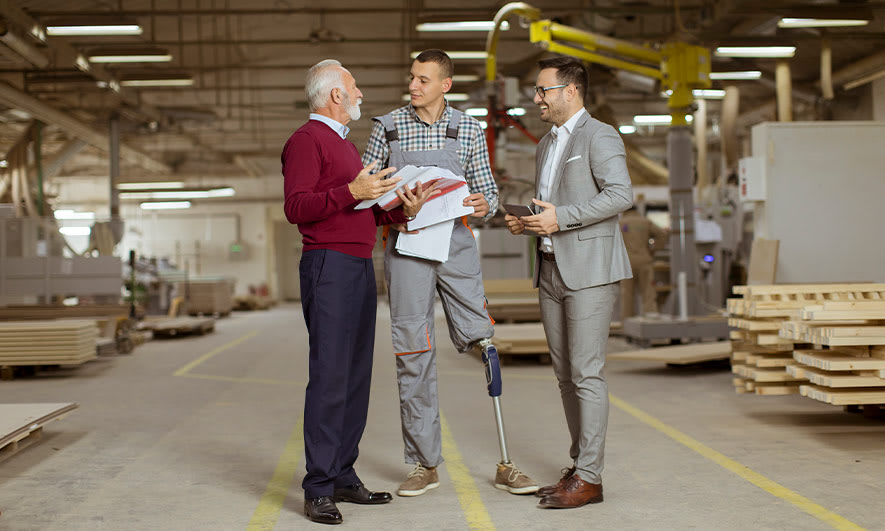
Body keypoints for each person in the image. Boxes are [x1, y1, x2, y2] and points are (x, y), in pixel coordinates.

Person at [362, 49, 538, 497]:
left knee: (484, 341)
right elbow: (366, 189)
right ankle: (424, 464)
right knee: (413, 352)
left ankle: (506, 462)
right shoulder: (388, 126)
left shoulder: (467, 128)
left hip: (456, 244)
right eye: (412, 77)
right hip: (405, 247)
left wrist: (486, 204)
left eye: (423, 79)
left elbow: (488, 192)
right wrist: (395, 203)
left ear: (445, 85)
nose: (413, 84)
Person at [282, 59, 436, 525]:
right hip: (327, 265)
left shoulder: (344, 146)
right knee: (330, 375)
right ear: (334, 96)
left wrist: (400, 211)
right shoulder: (307, 141)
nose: (361, 94)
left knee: (354, 377)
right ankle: (318, 487)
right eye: (354, 88)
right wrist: (353, 189)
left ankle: (343, 474)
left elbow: (359, 211)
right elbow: (297, 207)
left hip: (356, 264)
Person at [505, 56, 633, 509]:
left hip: (590, 271)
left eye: (543, 90)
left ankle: (591, 478)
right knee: (565, 377)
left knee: (587, 374)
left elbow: (621, 194)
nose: (537, 98)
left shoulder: (599, 135)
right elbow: (554, 204)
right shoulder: (546, 144)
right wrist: (532, 221)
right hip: (552, 269)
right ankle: (580, 467)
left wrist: (561, 219)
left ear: (571, 91)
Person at [619, 205, 667, 322]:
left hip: (626, 263)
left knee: (627, 295)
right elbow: (662, 235)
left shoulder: (620, 224)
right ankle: (650, 322)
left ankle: (627, 324)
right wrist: (654, 250)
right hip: (644, 261)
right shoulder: (645, 222)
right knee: (648, 292)